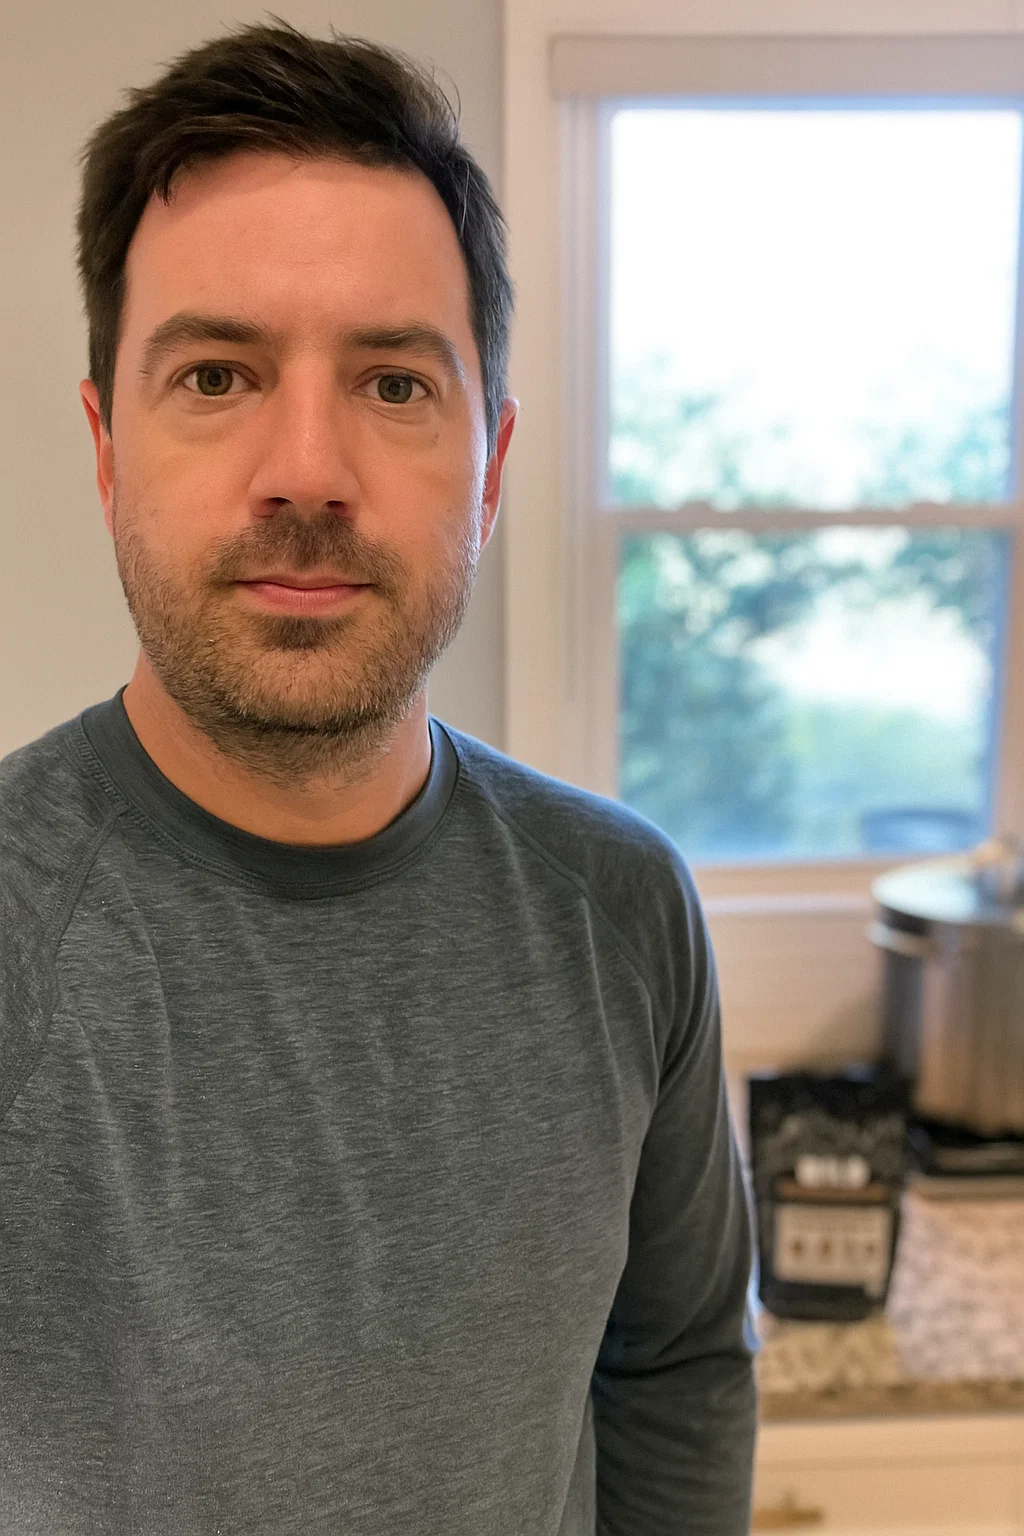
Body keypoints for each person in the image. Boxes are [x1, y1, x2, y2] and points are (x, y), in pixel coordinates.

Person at [0, 16, 757, 1534]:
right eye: (214, 374)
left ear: (489, 465)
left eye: (395, 385)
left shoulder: (624, 913)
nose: (305, 469)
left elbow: (673, 1367)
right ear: (103, 447)